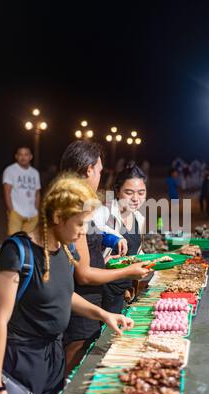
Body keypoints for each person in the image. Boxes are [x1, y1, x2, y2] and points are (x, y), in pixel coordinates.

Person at [0, 174, 133, 394]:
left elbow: (64, 296)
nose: (82, 232)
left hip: (53, 357)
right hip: (20, 362)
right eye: (79, 224)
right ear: (57, 218)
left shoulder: (65, 251)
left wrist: (103, 314)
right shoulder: (18, 253)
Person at [59, 141, 149, 375]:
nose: (101, 174)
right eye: (99, 169)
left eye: (141, 192)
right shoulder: (74, 207)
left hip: (91, 298)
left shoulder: (84, 203)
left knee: (86, 351)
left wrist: (112, 240)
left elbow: (97, 236)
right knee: (75, 355)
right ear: (89, 169)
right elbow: (84, 273)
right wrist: (128, 272)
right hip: (80, 296)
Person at [96, 162, 147, 314]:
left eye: (141, 192)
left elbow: (136, 254)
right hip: (101, 293)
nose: (136, 198)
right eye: (129, 192)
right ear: (117, 191)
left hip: (123, 293)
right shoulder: (104, 213)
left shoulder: (139, 218)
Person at [3, 147, 41, 236]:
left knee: (27, 242)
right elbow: (7, 192)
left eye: (26, 155)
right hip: (16, 213)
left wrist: (36, 209)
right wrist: (11, 210)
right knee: (14, 240)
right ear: (16, 156)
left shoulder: (35, 173)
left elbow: (37, 192)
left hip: (32, 215)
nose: (23, 157)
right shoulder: (10, 170)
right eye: (20, 155)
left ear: (31, 157)